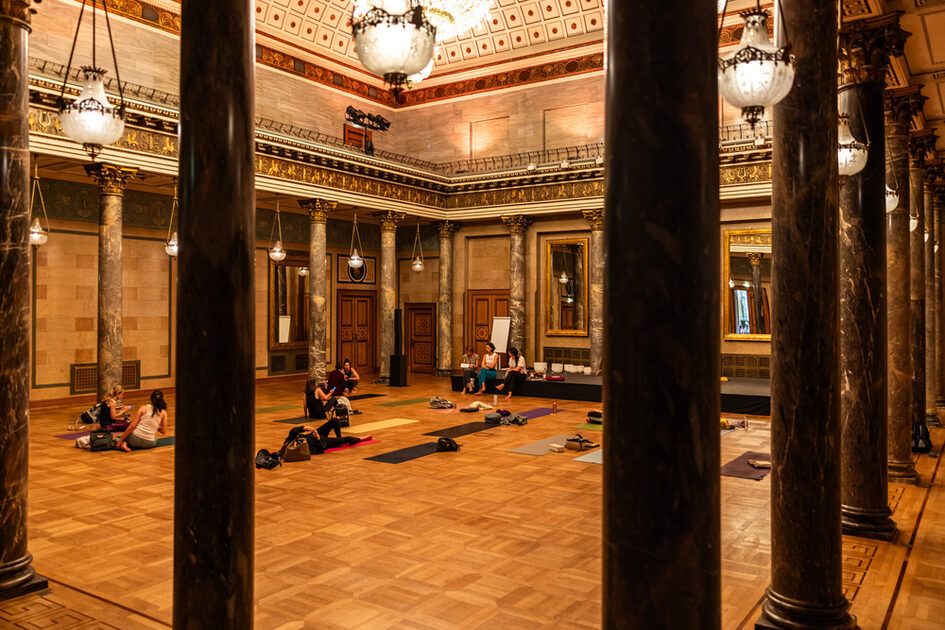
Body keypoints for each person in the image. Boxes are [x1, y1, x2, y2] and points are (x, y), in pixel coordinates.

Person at [280, 417, 371, 455]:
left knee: (335, 420)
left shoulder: (289, 440)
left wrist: (304, 428)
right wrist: (318, 439)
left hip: (313, 435)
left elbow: (293, 431)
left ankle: (339, 438)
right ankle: (360, 439)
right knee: (348, 439)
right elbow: (320, 450)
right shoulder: (300, 448)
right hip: (322, 441)